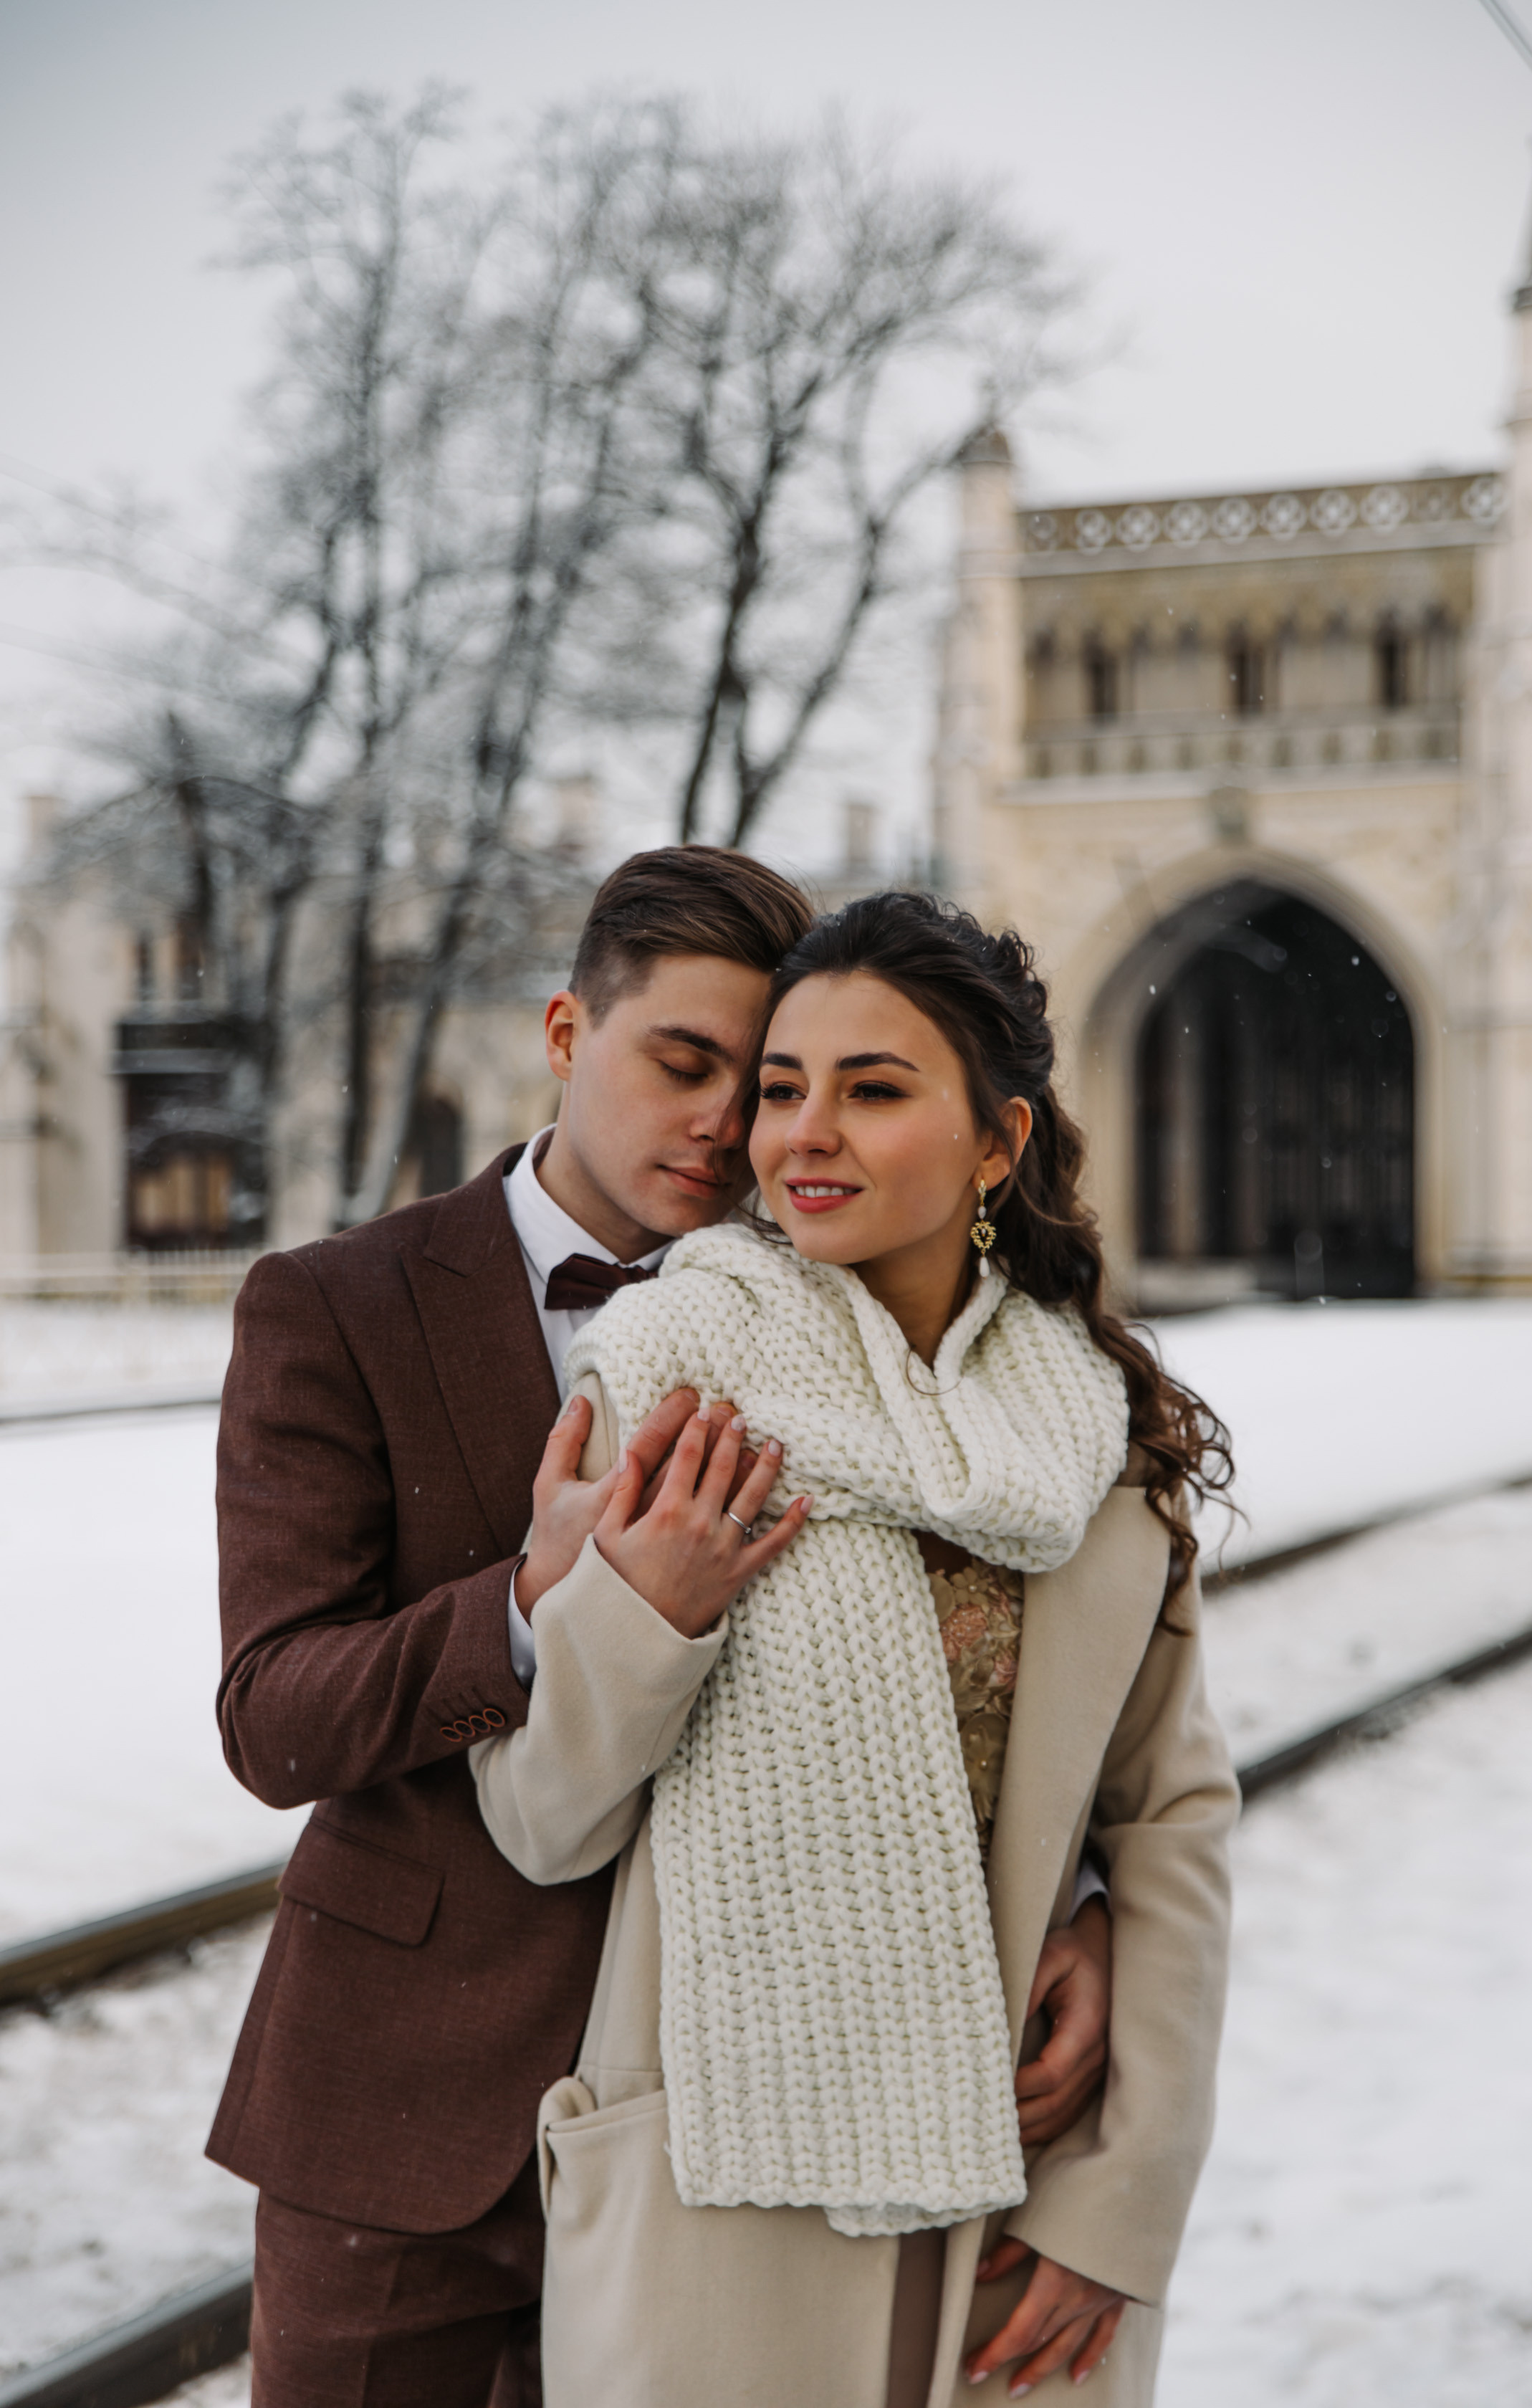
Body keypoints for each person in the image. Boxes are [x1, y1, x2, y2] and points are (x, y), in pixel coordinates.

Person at [208, 848, 1116, 2408]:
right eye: (679, 1064)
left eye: (753, 1080)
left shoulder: (840, 1307)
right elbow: (273, 1714)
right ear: (566, 1035)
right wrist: (519, 1601)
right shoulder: (337, 1304)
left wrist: (1069, 1890)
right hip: (414, 2118)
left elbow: (964, 1644)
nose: (724, 1124)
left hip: (734, 2126)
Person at [474, 889, 1237, 2408]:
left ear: (998, 1144)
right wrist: (647, 1610)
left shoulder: (1089, 1428)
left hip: (1022, 2194)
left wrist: (1119, 2200)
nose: (802, 1134)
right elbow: (539, 1824)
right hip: (718, 2203)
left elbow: (1170, 1823)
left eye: (873, 1091)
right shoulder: (670, 1380)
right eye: (781, 1088)